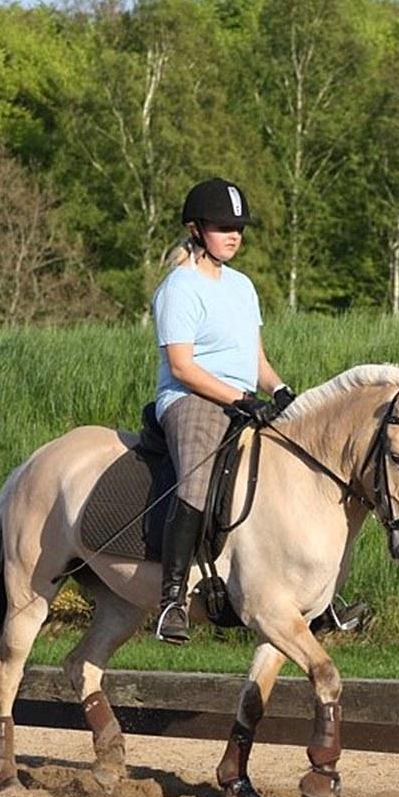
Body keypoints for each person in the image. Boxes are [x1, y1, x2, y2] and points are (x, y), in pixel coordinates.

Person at [152, 177, 295, 643]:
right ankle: (172, 600)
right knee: (196, 478)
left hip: (241, 402)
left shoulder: (242, 287)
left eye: (239, 228)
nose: (234, 235)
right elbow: (182, 366)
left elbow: (256, 361)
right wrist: (239, 399)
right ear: (196, 230)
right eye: (223, 227)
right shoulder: (179, 287)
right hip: (191, 400)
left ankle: (311, 595)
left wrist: (281, 391)